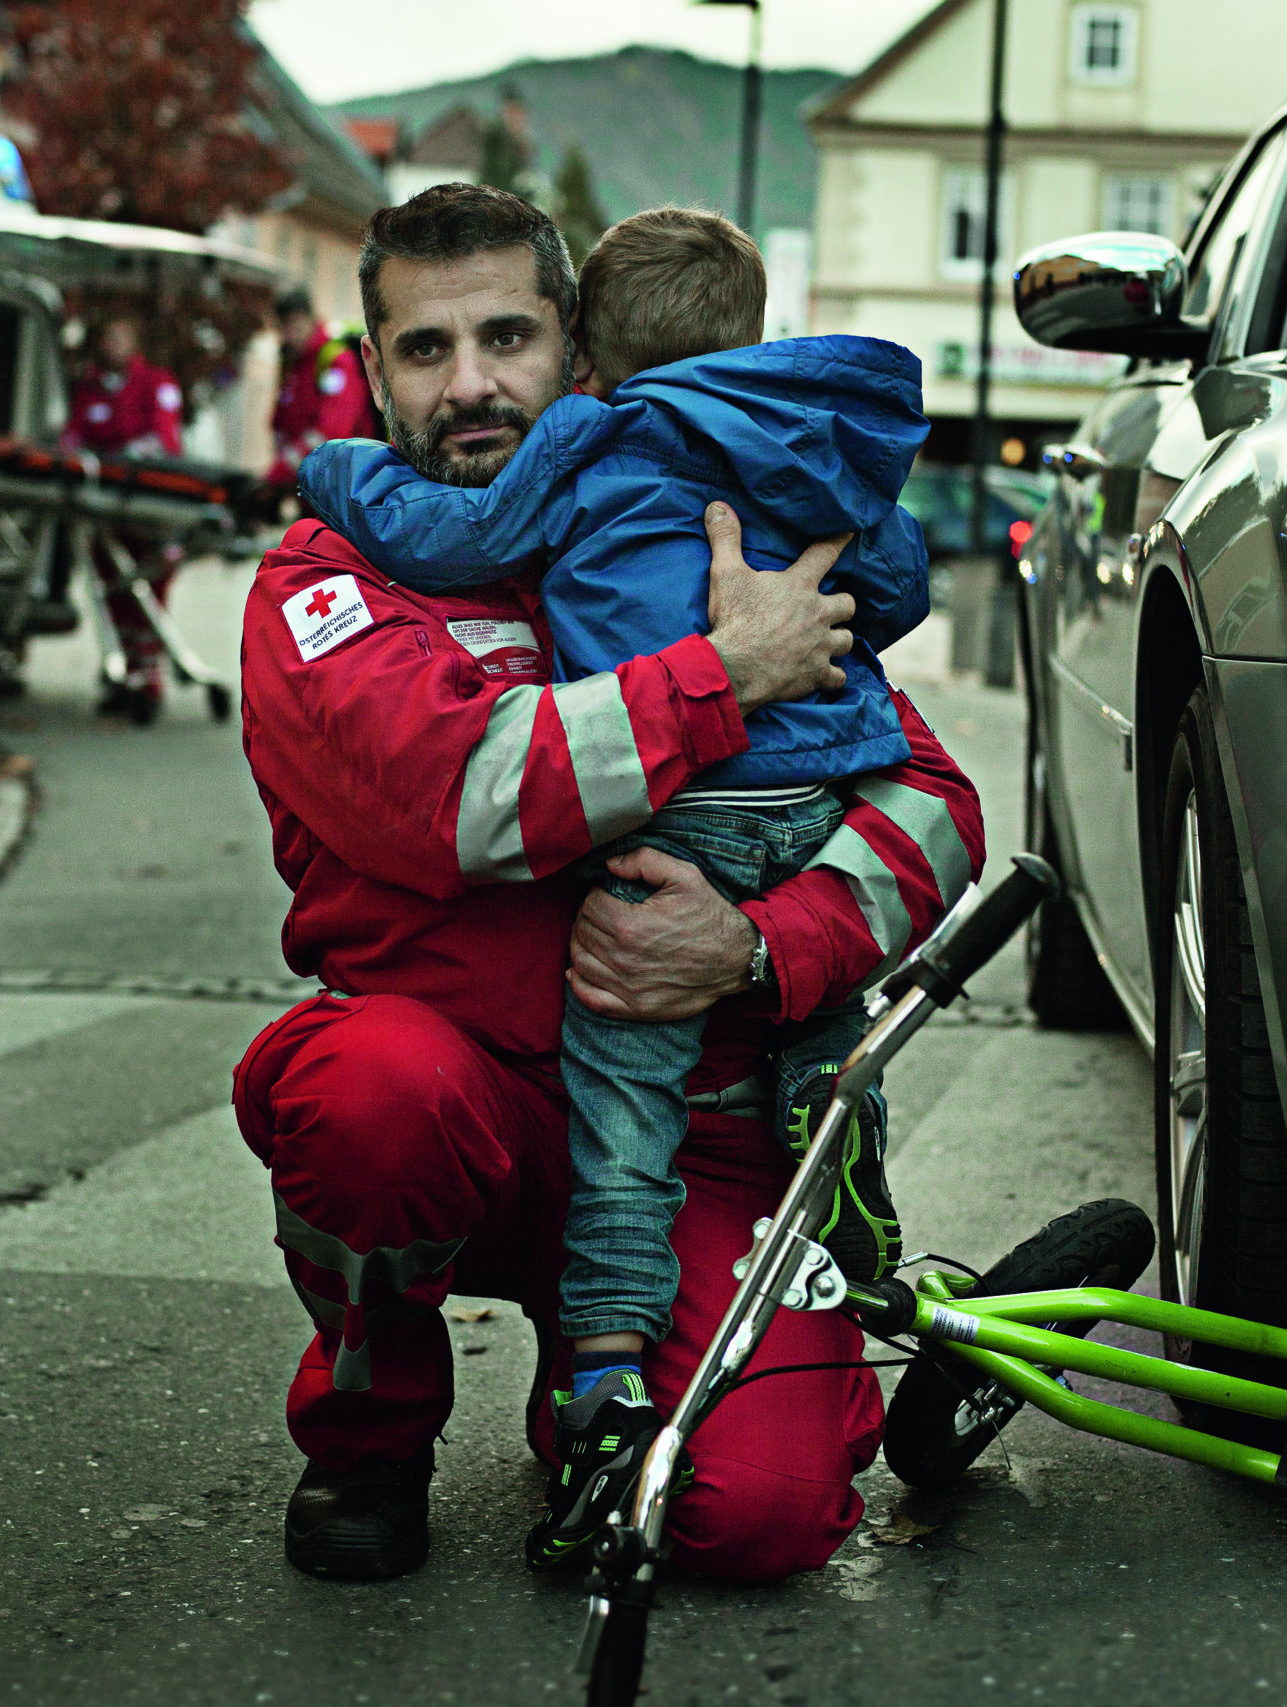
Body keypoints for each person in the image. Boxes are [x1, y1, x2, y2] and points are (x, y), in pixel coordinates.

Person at [235, 183, 984, 1587]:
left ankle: (680, 1377)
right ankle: (371, 1426)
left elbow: (932, 804)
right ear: (372, 369)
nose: (470, 384)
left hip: (690, 1127)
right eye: (422, 349)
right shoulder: (328, 580)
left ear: (579, 353)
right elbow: (464, 796)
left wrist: (760, 944)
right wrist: (720, 677)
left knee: (758, 1515)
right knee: (361, 1089)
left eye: (508, 335)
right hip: (471, 1113)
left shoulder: (719, 512)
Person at [62, 317, 186, 723]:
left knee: (147, 589)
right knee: (112, 592)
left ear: (133, 341)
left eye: (118, 334)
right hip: (105, 505)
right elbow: (73, 435)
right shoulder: (91, 389)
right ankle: (123, 679)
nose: (111, 342)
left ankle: (148, 682)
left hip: (149, 506)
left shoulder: (155, 384)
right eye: (106, 335)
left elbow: (163, 441)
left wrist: (124, 455)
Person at [265, 286, 383, 499]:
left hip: (347, 490)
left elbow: (331, 432)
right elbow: (279, 422)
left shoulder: (336, 362)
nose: (289, 336)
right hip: (310, 489)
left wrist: (282, 469)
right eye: (283, 327)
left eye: (294, 325)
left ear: (310, 319)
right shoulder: (293, 366)